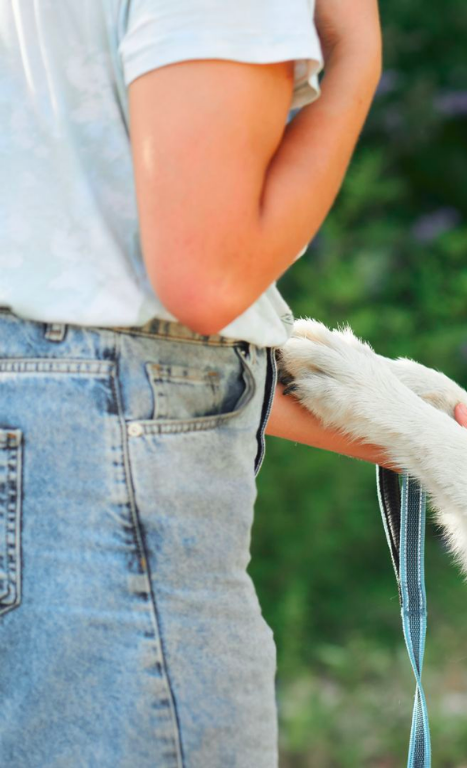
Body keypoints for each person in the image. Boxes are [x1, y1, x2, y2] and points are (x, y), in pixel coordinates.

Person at [0, 1, 400, 764]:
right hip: (105, 498)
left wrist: (401, 422)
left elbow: (62, 314)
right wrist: (356, 60)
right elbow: (208, 277)